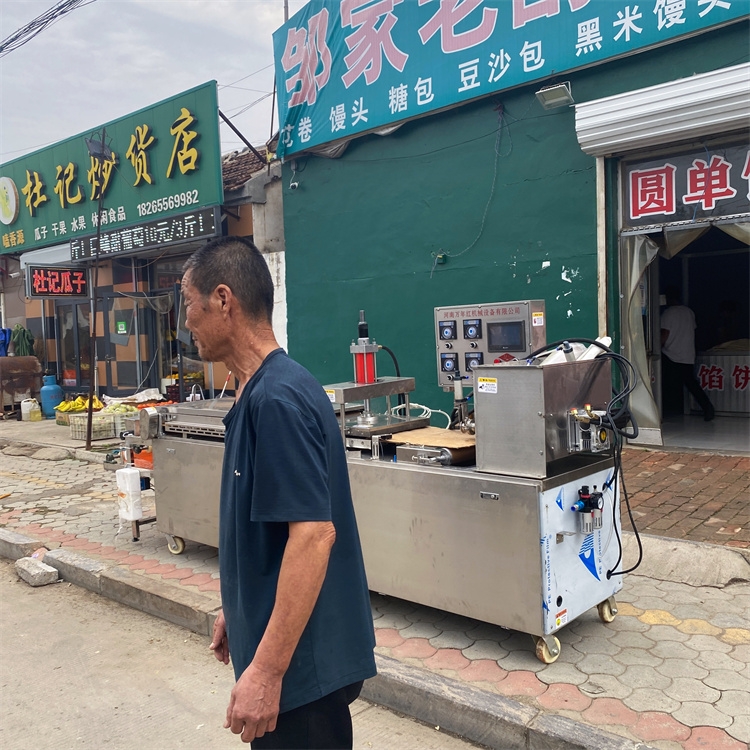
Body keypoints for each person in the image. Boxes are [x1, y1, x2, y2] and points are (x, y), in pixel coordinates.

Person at [181, 236, 376, 748]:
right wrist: (239, 607)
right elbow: (271, 530)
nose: (186, 322)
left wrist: (265, 672)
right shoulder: (257, 391)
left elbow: (313, 536)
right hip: (293, 665)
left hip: (300, 681)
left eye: (188, 304)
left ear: (223, 300)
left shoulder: (277, 400)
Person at [660, 286, 715, 422]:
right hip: (687, 354)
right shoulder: (689, 312)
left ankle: (665, 410)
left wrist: (656, 347)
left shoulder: (668, 313)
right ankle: (707, 408)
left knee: (665, 384)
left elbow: (664, 335)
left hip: (670, 354)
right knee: (690, 383)